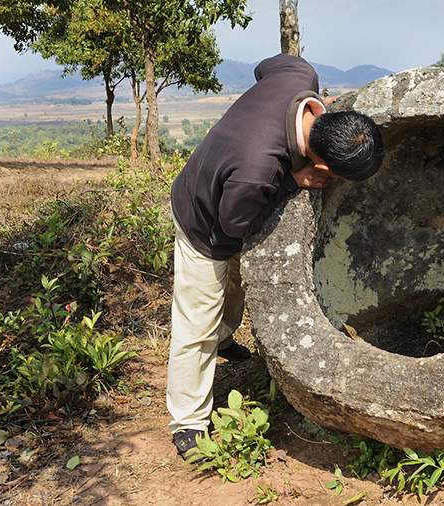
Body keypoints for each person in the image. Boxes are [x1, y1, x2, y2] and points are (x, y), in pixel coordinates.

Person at [167, 53, 384, 455]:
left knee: (232, 284)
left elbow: (269, 65)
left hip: (225, 188)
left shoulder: (300, 75)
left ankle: (225, 335)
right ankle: (188, 420)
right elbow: (232, 228)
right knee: (196, 321)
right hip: (203, 220)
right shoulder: (258, 170)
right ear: (322, 162)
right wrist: (293, 178)